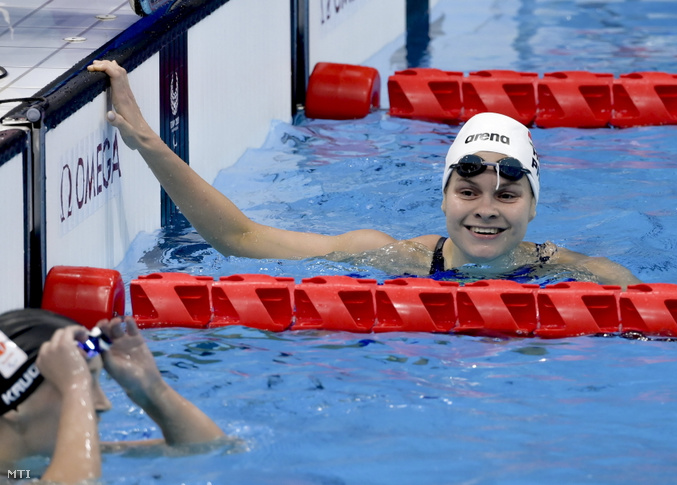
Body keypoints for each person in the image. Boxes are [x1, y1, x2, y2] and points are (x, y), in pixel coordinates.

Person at [87, 60, 641, 288]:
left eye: (508, 194)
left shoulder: (583, 275)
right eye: (468, 190)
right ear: (444, 198)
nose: (486, 208)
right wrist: (145, 139)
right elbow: (239, 239)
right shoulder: (389, 255)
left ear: (535, 205)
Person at [0, 309, 226, 484]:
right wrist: (76, 387)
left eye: (94, 383)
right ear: (14, 405)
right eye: (71, 382)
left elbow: (213, 452)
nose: (103, 404)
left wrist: (152, 389)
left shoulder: (30, 466)